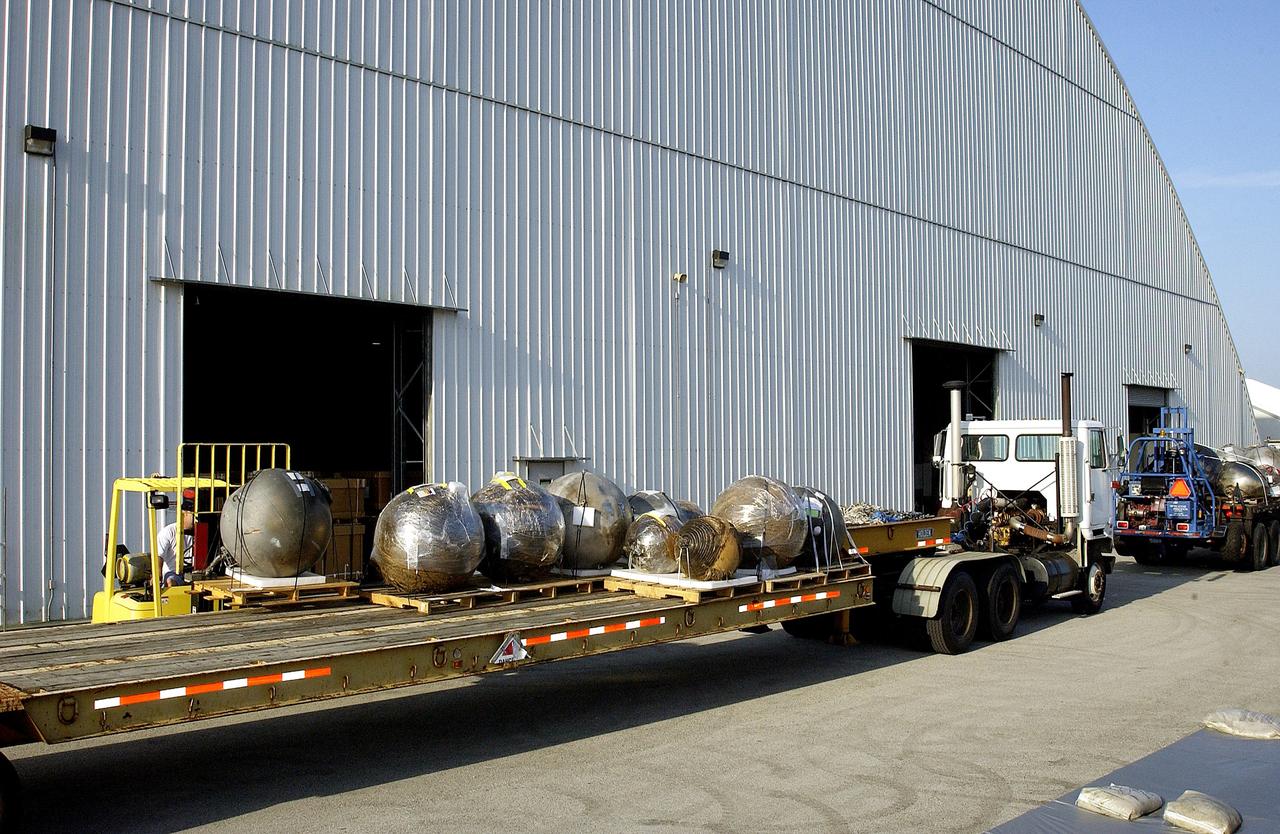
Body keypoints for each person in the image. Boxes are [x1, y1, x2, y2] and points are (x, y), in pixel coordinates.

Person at [156, 491, 196, 588]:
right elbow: (158, 556)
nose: (196, 519)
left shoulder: (199, 532)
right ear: (184, 514)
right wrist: (157, 576)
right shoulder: (168, 532)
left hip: (194, 572)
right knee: (170, 581)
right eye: (193, 515)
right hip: (174, 573)